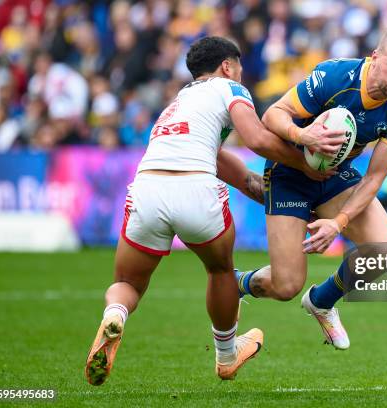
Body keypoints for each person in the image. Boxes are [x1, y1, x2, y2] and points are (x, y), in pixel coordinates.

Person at [85, 36, 341, 385]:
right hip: (196, 189)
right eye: (239, 68)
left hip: (147, 188)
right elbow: (257, 139)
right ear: (226, 66)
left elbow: (247, 181)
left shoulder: (177, 106)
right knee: (220, 271)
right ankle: (226, 355)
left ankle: (115, 315)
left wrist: (300, 211)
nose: (241, 75)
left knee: (127, 282)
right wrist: (306, 161)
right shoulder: (230, 90)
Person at [235, 29, 387, 350]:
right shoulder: (335, 76)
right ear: (374, 58)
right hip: (288, 172)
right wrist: (304, 137)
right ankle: (236, 282)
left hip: (334, 175)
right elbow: (273, 114)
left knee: (386, 253)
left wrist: (339, 222)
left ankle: (321, 301)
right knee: (286, 284)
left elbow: (374, 179)